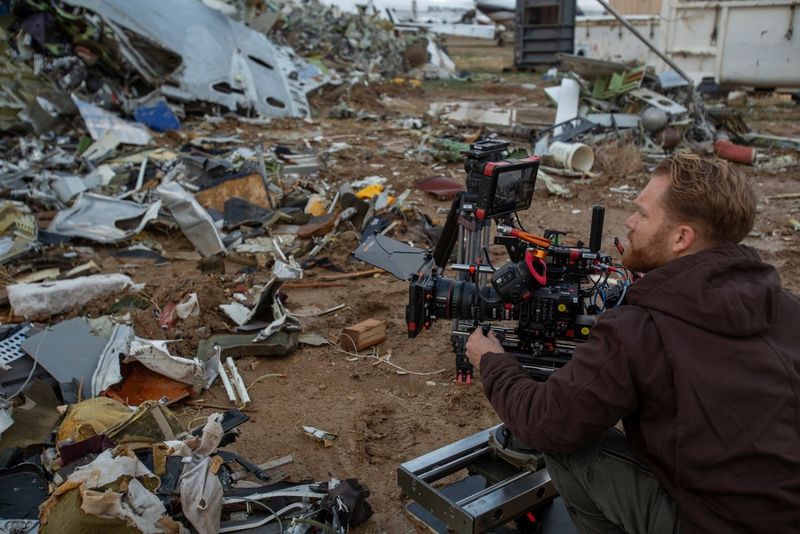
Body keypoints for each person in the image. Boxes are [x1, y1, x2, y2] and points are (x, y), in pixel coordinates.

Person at [465, 153, 800, 533]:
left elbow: (547, 423)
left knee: (569, 444)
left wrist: (492, 361)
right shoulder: (786, 305)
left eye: (642, 214)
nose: (629, 221)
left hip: (706, 523)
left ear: (681, 237)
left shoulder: (639, 329)